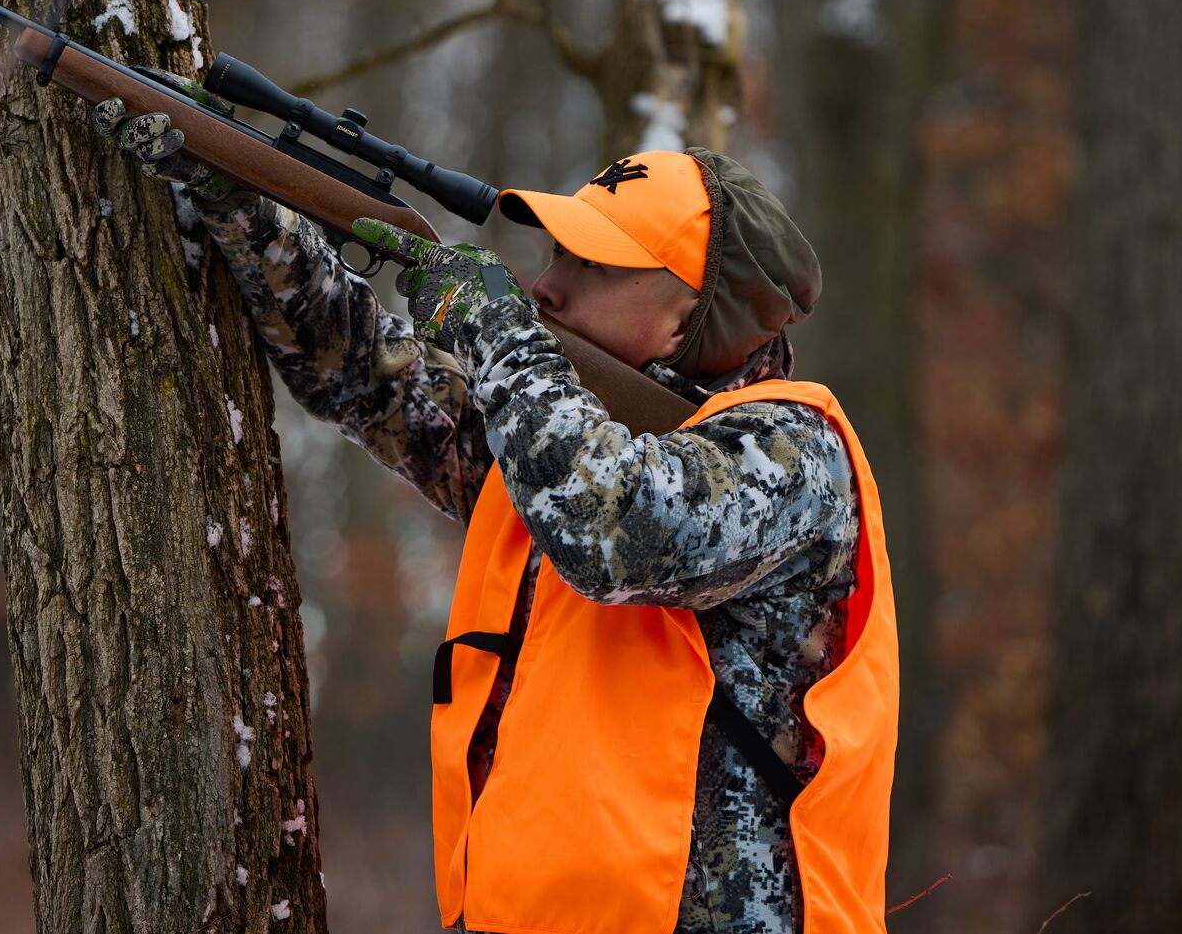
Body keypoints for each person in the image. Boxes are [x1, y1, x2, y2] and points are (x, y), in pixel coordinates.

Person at [101, 105, 899, 934]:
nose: (548, 283)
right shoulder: (561, 437)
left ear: (691, 312)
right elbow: (368, 376)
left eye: (592, 263)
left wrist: (503, 338)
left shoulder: (794, 456)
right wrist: (236, 193)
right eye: (557, 253)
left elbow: (613, 528)